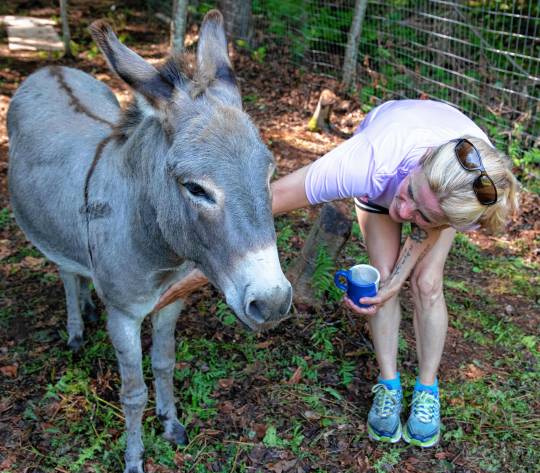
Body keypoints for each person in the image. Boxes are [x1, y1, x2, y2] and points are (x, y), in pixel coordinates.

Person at [154, 99, 519, 447]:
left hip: (444, 179)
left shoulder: (473, 206)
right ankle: (389, 384)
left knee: (427, 284)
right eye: (409, 194)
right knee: (381, 273)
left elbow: (430, 226)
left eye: (421, 214)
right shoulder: (368, 161)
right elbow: (269, 200)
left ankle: (427, 390)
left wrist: (402, 280)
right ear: (421, 161)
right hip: (387, 159)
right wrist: (212, 266)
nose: (403, 212)